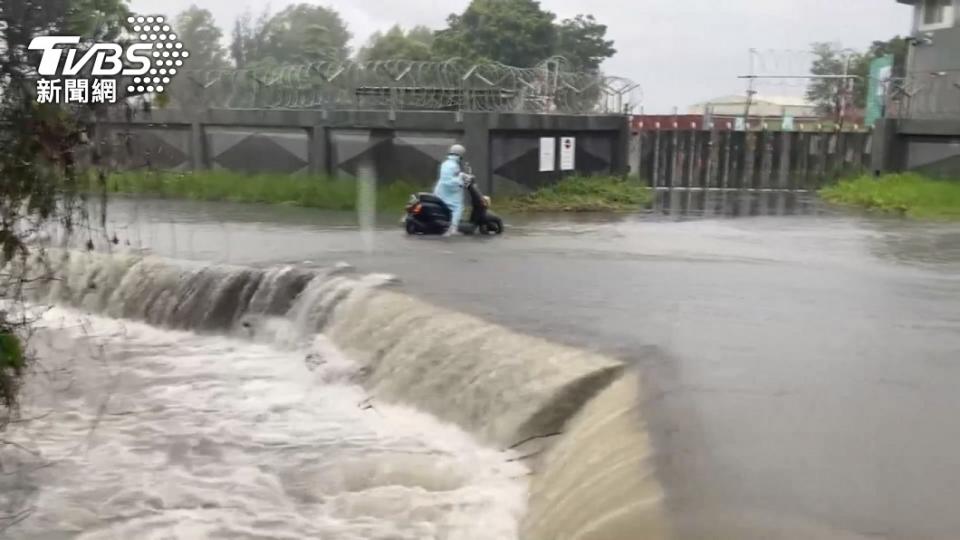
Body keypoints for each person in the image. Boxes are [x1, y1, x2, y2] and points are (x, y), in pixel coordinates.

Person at [433, 144, 467, 236]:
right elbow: (448, 180)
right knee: (458, 207)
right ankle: (453, 229)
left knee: (453, 206)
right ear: (459, 155)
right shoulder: (453, 165)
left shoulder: (447, 163)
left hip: (442, 191)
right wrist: (460, 180)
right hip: (448, 192)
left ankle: (449, 226)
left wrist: (461, 176)